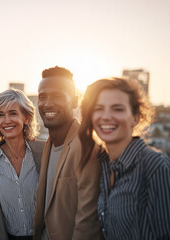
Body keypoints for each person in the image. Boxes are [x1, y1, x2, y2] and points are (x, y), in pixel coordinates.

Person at [79, 77, 170, 239]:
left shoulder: (155, 165)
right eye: (98, 108)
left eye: (117, 109)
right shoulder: (104, 164)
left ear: (136, 117)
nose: (106, 116)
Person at [33, 66, 102, 240]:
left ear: (75, 101)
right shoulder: (48, 145)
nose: (47, 103)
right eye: (42, 97)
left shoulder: (86, 147)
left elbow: (89, 223)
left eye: (57, 96)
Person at [0, 89, 44, 240]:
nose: (6, 120)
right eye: (1, 115)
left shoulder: (44, 152)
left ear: (26, 118)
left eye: (13, 113)